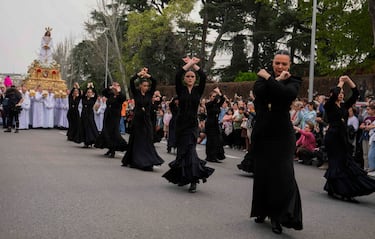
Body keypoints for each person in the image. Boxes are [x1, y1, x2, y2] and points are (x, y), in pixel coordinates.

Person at [250, 50, 303, 234]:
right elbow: (260, 92)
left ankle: (277, 216)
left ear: (289, 66)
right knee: (263, 174)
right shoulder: (261, 81)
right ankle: (261, 211)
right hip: (263, 133)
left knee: (282, 175)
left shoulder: (294, 81)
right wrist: (275, 80)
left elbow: (285, 95)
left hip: (282, 135)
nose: (280, 67)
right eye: (277, 63)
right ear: (272, 63)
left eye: (284, 64)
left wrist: (271, 78)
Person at [162, 56, 214, 193]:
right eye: (188, 76)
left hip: (192, 125)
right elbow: (178, 74)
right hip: (180, 125)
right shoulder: (181, 90)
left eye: (192, 76)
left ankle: (193, 180)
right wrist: (188, 64)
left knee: (191, 151)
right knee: (182, 153)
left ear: (194, 79)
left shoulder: (198, 90)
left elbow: (203, 76)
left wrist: (194, 66)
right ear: (185, 79)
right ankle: (183, 176)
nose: (190, 78)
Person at [323, 75, 375, 202]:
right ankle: (339, 189)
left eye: (342, 93)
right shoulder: (328, 105)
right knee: (336, 162)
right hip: (333, 137)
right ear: (332, 95)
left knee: (344, 162)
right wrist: (340, 82)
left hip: (342, 137)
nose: (341, 94)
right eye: (339, 93)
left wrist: (348, 81)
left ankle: (335, 187)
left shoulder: (344, 106)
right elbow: (334, 93)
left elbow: (356, 93)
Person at [121, 68, 164, 171]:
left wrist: (148, 76)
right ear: (140, 86)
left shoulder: (149, 94)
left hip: (147, 120)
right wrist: (139, 74)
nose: (146, 87)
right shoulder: (136, 94)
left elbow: (154, 82)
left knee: (147, 140)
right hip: (138, 120)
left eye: (147, 86)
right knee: (137, 141)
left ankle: (148, 160)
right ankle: (135, 160)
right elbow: (131, 81)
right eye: (144, 85)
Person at [95, 81, 128, 158]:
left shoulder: (120, 96)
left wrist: (118, 91)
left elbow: (123, 98)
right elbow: (104, 92)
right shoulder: (110, 94)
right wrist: (109, 87)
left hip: (115, 116)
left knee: (114, 133)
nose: (114, 87)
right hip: (108, 116)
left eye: (116, 86)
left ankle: (113, 150)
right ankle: (110, 148)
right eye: (114, 86)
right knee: (106, 132)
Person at [205, 87, 226, 163]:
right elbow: (215, 101)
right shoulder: (208, 104)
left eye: (215, 96)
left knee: (217, 140)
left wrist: (219, 93)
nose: (214, 98)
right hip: (210, 124)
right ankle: (209, 156)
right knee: (210, 140)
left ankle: (215, 156)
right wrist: (217, 93)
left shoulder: (217, 105)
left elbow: (222, 99)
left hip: (215, 124)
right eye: (213, 96)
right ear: (210, 97)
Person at [78, 83, 99, 148]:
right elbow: (83, 93)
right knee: (84, 128)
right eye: (88, 92)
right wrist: (87, 87)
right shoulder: (84, 99)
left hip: (90, 115)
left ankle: (91, 141)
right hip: (84, 114)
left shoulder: (93, 99)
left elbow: (96, 94)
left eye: (90, 92)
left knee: (90, 128)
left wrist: (92, 87)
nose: (89, 93)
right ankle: (85, 142)